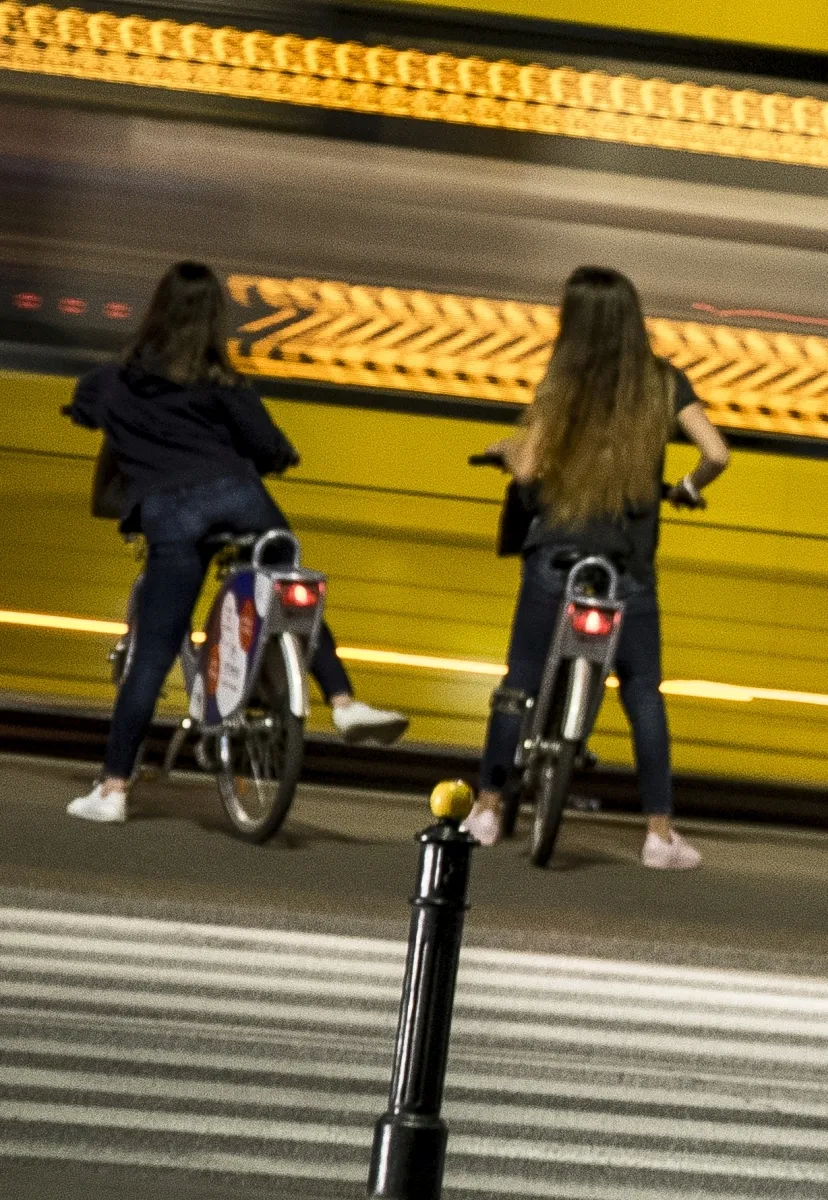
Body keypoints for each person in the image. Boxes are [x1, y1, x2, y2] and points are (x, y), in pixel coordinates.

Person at [64, 261, 408, 823]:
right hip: (240, 500)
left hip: (171, 516)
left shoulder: (110, 382)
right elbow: (273, 447)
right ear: (214, 320)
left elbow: (85, 414)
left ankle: (113, 790)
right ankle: (343, 702)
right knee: (288, 588)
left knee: (151, 656)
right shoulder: (222, 382)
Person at [462, 266, 730, 868]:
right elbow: (717, 453)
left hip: (557, 555)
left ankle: (487, 808)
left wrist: (506, 453)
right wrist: (684, 486)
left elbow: (529, 470)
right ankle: (659, 834)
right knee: (643, 693)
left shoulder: (564, 381)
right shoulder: (664, 383)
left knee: (519, 685)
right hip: (626, 567)